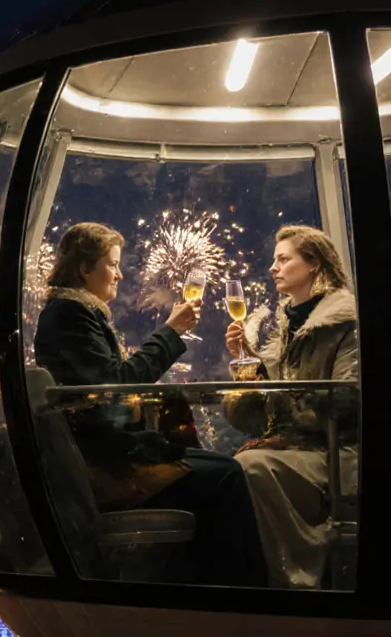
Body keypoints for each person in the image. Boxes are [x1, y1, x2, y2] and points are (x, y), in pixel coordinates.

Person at [34, 222, 266, 587]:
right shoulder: (70, 316)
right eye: (112, 263)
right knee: (227, 475)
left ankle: (209, 588)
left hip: (110, 451)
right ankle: (242, 594)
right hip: (111, 464)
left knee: (225, 466)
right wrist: (170, 333)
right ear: (84, 268)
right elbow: (118, 383)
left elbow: (112, 384)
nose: (120, 273)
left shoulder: (74, 315)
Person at [224, 225, 359, 589]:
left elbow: (347, 401)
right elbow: (256, 415)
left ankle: (292, 578)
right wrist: (245, 363)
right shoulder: (286, 327)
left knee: (251, 466)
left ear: (314, 264)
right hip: (302, 447)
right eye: (274, 260)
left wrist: (284, 439)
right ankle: (256, 576)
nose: (273, 267)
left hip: (337, 451)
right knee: (232, 466)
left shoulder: (346, 323)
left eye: (284, 259)